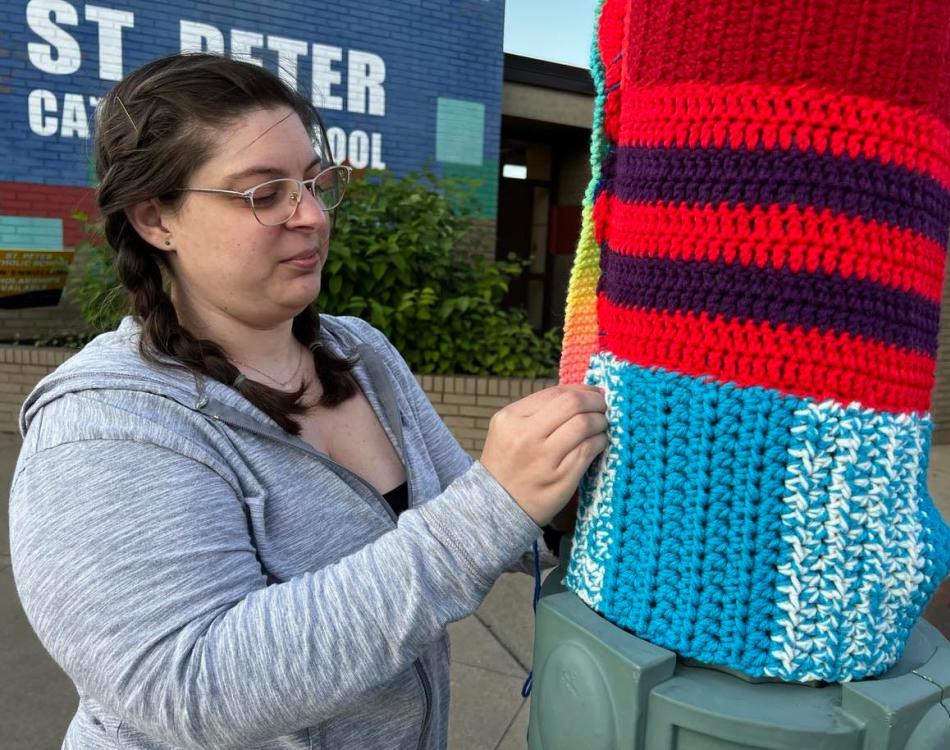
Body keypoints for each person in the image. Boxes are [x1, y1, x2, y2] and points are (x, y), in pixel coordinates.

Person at [8, 53, 608, 749]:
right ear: (153, 218)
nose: (314, 217)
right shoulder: (104, 428)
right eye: (264, 194)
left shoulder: (361, 354)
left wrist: (560, 496)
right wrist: (489, 512)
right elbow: (186, 688)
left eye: (314, 182)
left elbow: (469, 498)